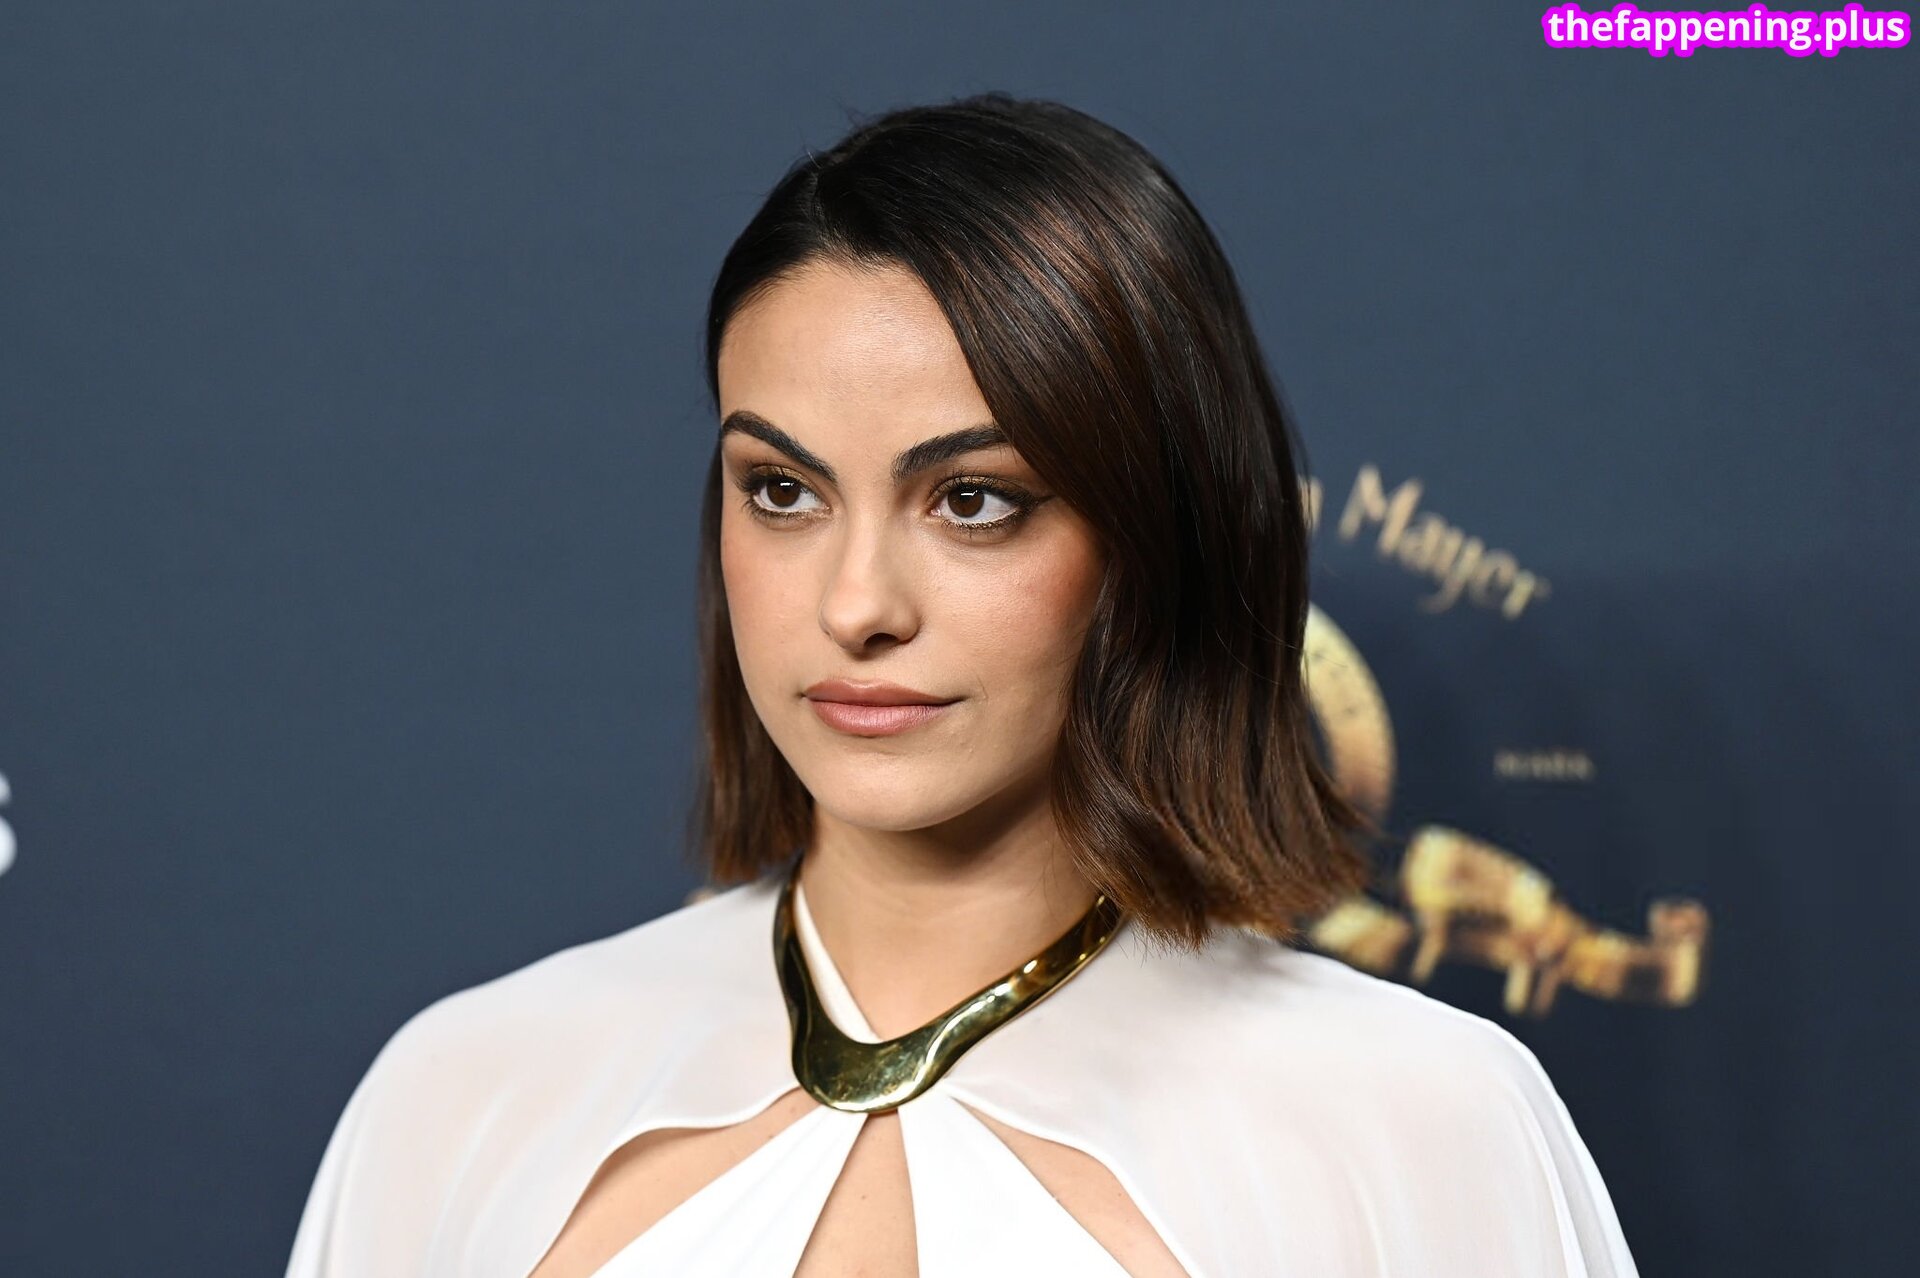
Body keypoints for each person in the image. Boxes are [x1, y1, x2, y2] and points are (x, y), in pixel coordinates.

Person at [284, 92, 1640, 1278]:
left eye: (974, 500)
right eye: (782, 490)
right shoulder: (461, 1095)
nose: (856, 605)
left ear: (1156, 537)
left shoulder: (1423, 1128)